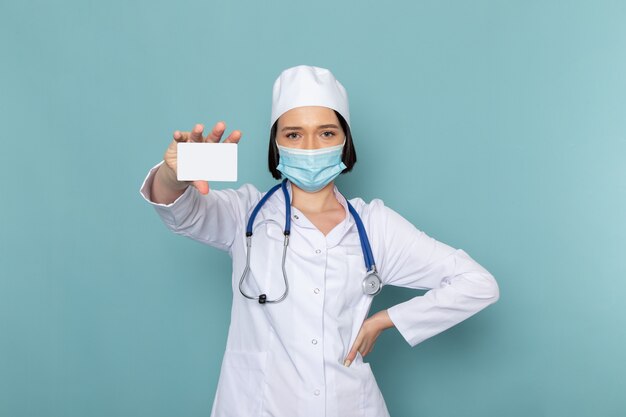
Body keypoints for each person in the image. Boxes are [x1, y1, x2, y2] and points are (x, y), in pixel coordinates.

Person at [139, 65, 500, 417]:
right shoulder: (245, 214)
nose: (310, 147)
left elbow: (477, 284)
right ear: (276, 145)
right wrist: (174, 175)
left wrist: (387, 318)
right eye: (293, 134)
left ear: (345, 142)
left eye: (326, 133)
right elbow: (180, 211)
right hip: (257, 404)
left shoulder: (375, 226)